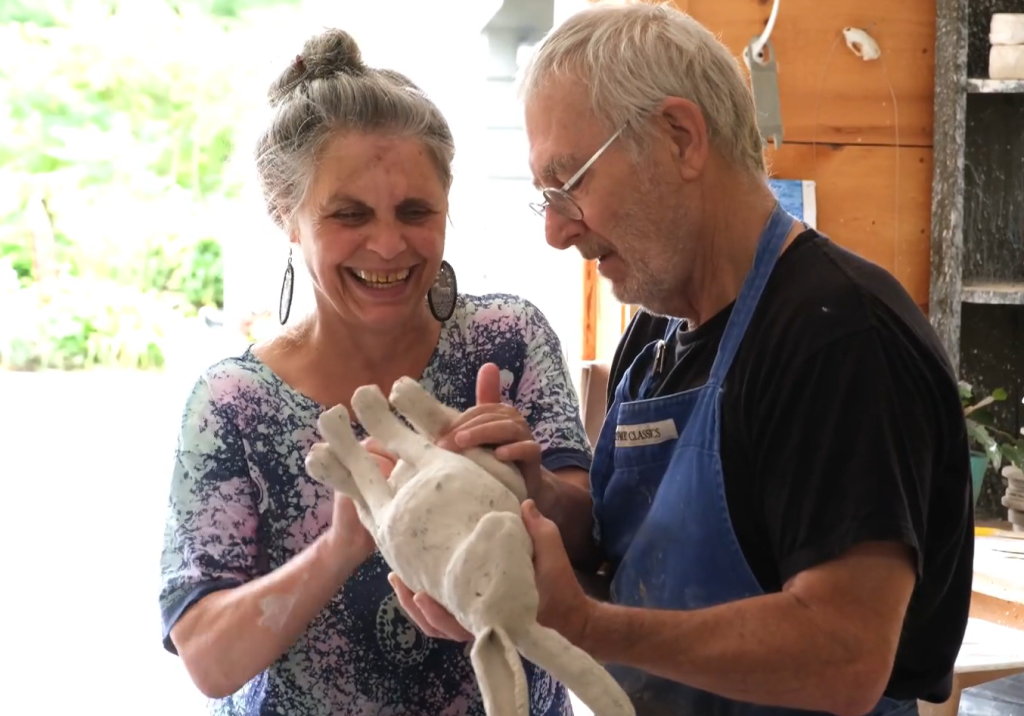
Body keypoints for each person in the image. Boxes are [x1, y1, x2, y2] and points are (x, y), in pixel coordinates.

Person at [391, 4, 975, 716]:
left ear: (680, 138)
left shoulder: (838, 334)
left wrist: (583, 625)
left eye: (569, 183)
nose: (555, 230)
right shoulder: (653, 339)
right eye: (544, 197)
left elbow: (846, 652)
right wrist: (533, 502)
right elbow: (630, 567)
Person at [158, 28, 594, 716]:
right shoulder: (233, 403)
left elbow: (590, 545)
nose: (388, 245)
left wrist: (530, 483)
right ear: (287, 216)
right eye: (349, 215)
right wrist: (341, 544)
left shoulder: (507, 340)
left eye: (416, 212)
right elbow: (209, 659)